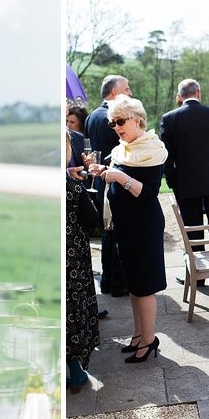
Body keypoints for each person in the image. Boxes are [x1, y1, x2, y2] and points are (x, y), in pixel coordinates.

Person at [88, 94, 167, 363]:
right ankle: (138, 335)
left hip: (143, 225)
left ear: (136, 119)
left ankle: (149, 340)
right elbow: (117, 169)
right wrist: (102, 169)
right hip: (125, 226)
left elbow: (148, 193)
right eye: (112, 123)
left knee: (144, 286)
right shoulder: (124, 148)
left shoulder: (151, 148)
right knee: (133, 284)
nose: (116, 128)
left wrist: (120, 177)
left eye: (120, 121)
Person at [160, 78, 209, 251]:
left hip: (186, 186)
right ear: (198, 93)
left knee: (193, 234)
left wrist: (174, 182)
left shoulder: (169, 119)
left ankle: (196, 276)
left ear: (179, 96)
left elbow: (166, 157)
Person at [84, 75, 131, 297]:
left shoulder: (91, 116)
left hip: (100, 181)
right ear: (114, 93)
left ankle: (107, 281)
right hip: (113, 179)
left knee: (107, 232)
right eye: (126, 89)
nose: (129, 93)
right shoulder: (116, 118)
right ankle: (117, 282)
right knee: (117, 233)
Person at [65, 130, 101, 393]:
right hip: (72, 259)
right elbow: (93, 221)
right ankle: (75, 370)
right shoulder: (72, 187)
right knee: (74, 309)